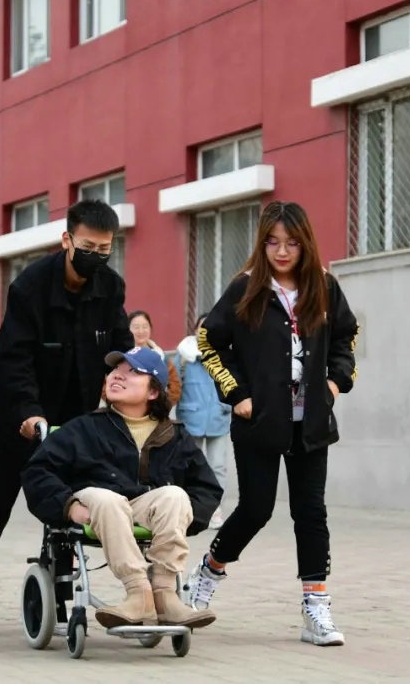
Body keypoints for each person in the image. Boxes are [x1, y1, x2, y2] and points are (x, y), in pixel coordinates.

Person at [185, 201, 358, 647]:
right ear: (262, 244)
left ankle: (316, 607)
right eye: (273, 242)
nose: (282, 252)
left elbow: (346, 336)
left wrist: (335, 384)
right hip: (259, 420)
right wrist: (236, 393)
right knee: (256, 509)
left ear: (306, 243)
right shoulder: (246, 288)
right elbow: (209, 341)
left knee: (310, 511)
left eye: (292, 243)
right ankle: (207, 573)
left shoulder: (324, 286)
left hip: (310, 422)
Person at [0, 199, 132, 627]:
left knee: (67, 501)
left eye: (104, 249)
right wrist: (30, 414)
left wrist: (129, 388)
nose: (96, 256)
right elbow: (14, 361)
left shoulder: (111, 288)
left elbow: (120, 349)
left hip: (72, 417)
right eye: (87, 247)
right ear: (67, 240)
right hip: (10, 412)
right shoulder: (30, 287)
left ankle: (62, 585)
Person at [22, 346, 222, 629]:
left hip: (144, 508)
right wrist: (69, 506)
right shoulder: (84, 428)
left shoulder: (174, 436)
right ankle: (138, 591)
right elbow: (38, 471)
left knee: (175, 495)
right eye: (116, 369)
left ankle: (165, 595)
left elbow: (206, 488)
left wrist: (185, 519)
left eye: (132, 371)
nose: (117, 375)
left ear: (153, 392)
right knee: (107, 499)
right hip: (95, 505)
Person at [174, 313, 231, 529]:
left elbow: (233, 384)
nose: (205, 331)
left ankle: (215, 510)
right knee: (190, 466)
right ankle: (191, 509)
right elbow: (174, 386)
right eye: (201, 327)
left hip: (219, 418)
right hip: (191, 418)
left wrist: (227, 406)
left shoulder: (224, 356)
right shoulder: (183, 356)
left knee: (218, 467)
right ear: (195, 330)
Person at [126, 310, 182, 406]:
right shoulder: (123, 355)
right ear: (128, 329)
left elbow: (174, 383)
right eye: (136, 327)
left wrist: (165, 404)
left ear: (150, 328)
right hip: (128, 407)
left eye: (145, 327)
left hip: (156, 409)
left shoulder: (160, 355)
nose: (141, 331)